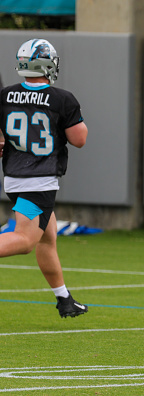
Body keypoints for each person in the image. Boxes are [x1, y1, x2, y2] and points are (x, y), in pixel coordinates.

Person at [0, 38, 89, 318]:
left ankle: (65, 300)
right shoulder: (61, 98)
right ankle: (64, 300)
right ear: (46, 63)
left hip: (15, 177)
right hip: (38, 181)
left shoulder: (5, 96)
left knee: (47, 237)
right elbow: (80, 139)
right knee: (25, 241)